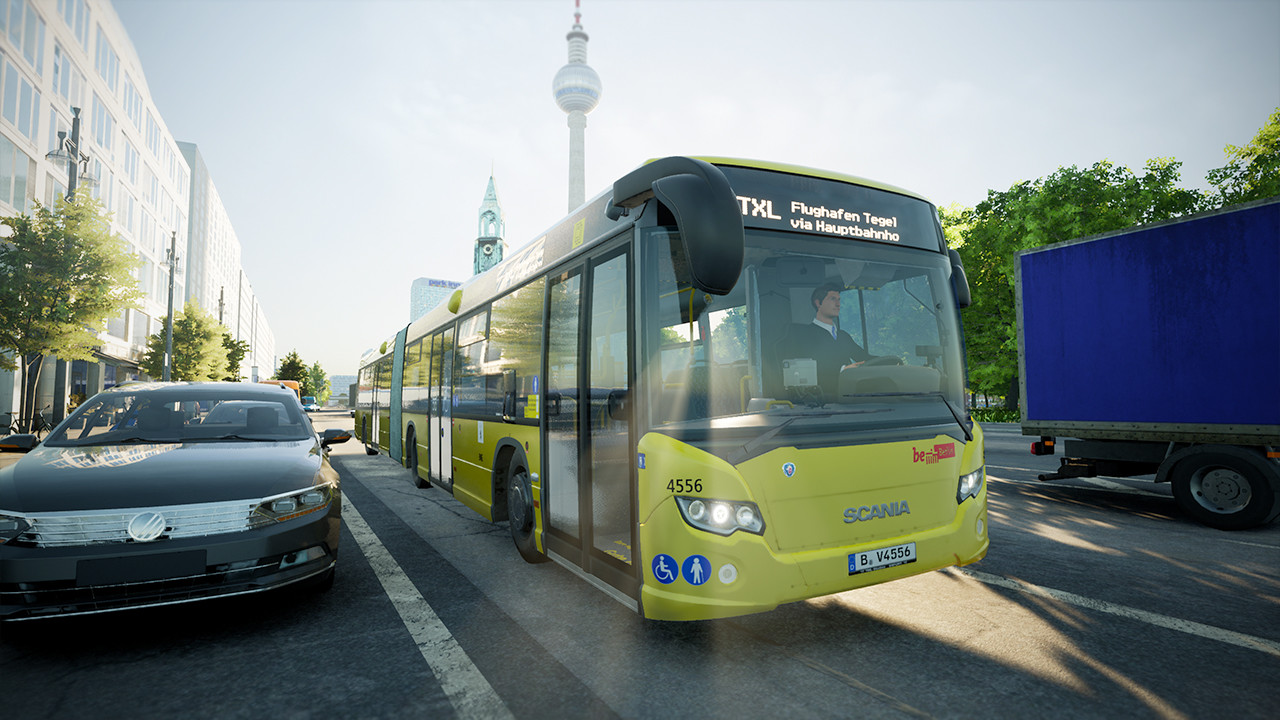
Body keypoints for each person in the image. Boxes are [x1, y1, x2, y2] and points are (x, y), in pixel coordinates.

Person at [781, 282, 871, 396]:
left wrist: (892, 363)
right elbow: (805, 370)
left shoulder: (843, 336)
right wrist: (843, 370)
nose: (838, 304)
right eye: (833, 299)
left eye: (839, 299)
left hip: (850, 396)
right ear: (818, 303)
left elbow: (864, 358)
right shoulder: (803, 335)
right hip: (822, 401)